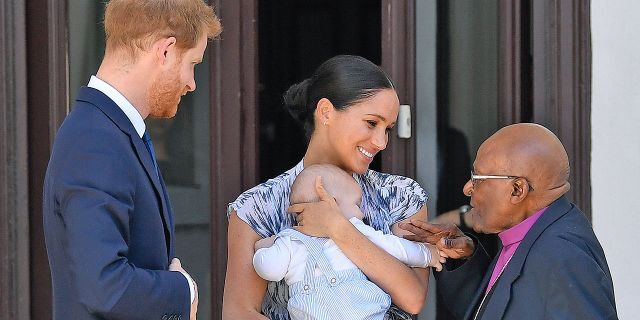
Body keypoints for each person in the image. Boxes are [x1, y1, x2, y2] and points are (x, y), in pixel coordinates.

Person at [42, 1, 221, 319]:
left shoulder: (111, 132)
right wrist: (184, 290)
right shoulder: (96, 141)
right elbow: (105, 287)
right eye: (192, 63)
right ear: (165, 51)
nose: (192, 83)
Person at [224, 55, 431, 320]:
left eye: (388, 128)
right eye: (371, 123)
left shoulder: (402, 197)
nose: (381, 142)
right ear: (325, 112)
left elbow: (413, 300)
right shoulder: (256, 207)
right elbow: (238, 312)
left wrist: (338, 227)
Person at [400, 123, 617, 319]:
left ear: (517, 190)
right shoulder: (531, 233)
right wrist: (466, 258)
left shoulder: (563, 255)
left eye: (478, 179)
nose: (467, 188)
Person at [252, 164, 444, 320]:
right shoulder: (357, 228)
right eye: (357, 205)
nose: (361, 213)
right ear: (332, 202)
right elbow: (399, 249)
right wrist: (429, 255)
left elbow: (270, 269)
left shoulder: (290, 241)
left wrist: (263, 247)